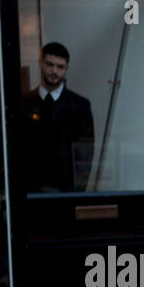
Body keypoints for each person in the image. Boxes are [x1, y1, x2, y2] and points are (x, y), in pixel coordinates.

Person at [21, 41, 94, 192]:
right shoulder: (23, 103)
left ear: (66, 68)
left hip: (66, 191)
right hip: (29, 191)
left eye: (60, 67)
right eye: (49, 64)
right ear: (40, 63)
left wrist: (77, 193)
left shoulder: (80, 106)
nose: (54, 71)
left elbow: (84, 154)